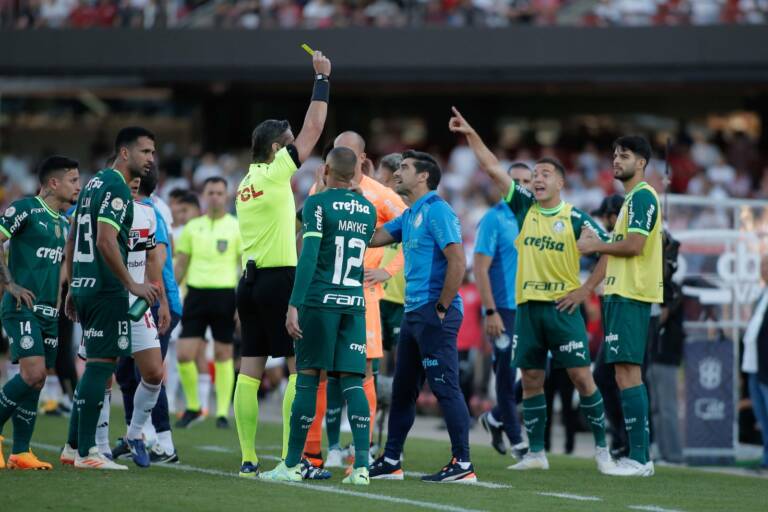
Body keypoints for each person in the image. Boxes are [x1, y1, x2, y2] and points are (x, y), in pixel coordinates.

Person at [449, 107, 614, 473]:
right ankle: (536, 453)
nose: (537, 179)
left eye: (545, 175)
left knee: (581, 378)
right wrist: (470, 132)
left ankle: (603, 451)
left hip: (562, 309)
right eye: (534, 175)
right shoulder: (523, 208)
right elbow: (493, 168)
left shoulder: (575, 218)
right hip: (527, 309)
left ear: (560, 184)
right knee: (533, 380)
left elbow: (608, 251)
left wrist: (586, 290)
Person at [233, 49, 331, 477]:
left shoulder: (246, 183)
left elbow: (279, 223)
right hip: (279, 281)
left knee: (249, 370)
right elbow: (313, 128)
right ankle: (293, 459)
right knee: (300, 367)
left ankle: (248, 458)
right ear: (277, 148)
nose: (297, 146)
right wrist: (322, 79)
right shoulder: (275, 172)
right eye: (289, 143)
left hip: (248, 283)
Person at [259, 147, 376, 485]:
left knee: (308, 378)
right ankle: (363, 468)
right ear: (355, 173)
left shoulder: (317, 204)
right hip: (353, 303)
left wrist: (294, 303)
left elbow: (309, 256)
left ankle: (293, 464)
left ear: (326, 169)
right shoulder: (367, 209)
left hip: (320, 301)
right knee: (353, 382)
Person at [368, 150, 477, 483]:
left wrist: (441, 308)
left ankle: (462, 464)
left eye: (404, 168)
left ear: (423, 177)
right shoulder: (411, 213)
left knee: (445, 388)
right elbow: (375, 237)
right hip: (413, 314)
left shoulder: (437, 211)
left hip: (432, 313)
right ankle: (391, 461)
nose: (397, 172)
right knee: (403, 391)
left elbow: (458, 262)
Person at [302, 132, 406, 470]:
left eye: (344, 151)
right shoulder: (320, 191)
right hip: (325, 291)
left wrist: (388, 271)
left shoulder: (381, 195)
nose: (336, 156)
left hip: (365, 295)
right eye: (334, 150)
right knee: (324, 372)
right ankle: (327, 447)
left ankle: (364, 448)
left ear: (362, 159)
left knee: (361, 372)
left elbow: (412, 228)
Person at [61, 127, 161, 470]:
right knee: (100, 368)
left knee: (98, 367)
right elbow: (104, 240)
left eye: (152, 152)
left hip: (88, 286)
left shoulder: (91, 184)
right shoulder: (117, 185)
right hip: (106, 291)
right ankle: (89, 451)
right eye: (145, 151)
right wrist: (132, 286)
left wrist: (74, 286)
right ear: (124, 153)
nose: (151, 159)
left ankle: (74, 445)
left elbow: (75, 236)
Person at [576, 135, 663, 477]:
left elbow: (635, 246)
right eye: (614, 155)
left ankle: (640, 457)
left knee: (628, 373)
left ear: (641, 162)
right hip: (619, 294)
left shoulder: (642, 197)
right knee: (620, 373)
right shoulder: (630, 200)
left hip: (632, 294)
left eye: (623, 155)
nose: (616, 160)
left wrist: (596, 244)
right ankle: (636, 454)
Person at [0, 156, 80, 470]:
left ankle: (21, 452)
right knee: (32, 374)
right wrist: (10, 284)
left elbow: (59, 266)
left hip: (49, 312)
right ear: (53, 183)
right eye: (73, 180)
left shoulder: (63, 221)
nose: (78, 186)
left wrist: (67, 293)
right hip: (21, 308)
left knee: (36, 382)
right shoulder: (25, 210)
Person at [92, 174, 168, 467]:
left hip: (137, 303)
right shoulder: (101, 212)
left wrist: (159, 297)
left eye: (139, 179)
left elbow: (150, 258)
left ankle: (134, 434)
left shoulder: (147, 213)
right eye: (130, 177)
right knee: (102, 373)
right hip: (106, 301)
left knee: (153, 373)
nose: (135, 183)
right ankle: (98, 445)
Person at [111, 167, 183, 464]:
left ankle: (163, 441)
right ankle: (136, 435)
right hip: (139, 294)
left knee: (147, 372)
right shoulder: (141, 207)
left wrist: (162, 300)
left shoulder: (151, 210)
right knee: (127, 374)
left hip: (152, 297)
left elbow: (161, 255)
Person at [475, 162, 532, 460]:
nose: (522, 185)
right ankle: (517, 441)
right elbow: (480, 269)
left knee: (542, 371)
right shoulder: (493, 220)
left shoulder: (534, 217)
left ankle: (496, 417)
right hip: (505, 310)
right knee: (507, 375)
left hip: (531, 308)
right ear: (503, 184)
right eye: (516, 180)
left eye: (527, 180)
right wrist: (490, 311)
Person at [174, 176, 241, 429]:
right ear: (204, 195)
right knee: (183, 354)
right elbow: (181, 264)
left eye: (219, 193)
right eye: (210, 192)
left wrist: (242, 303)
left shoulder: (236, 227)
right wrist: (171, 294)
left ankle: (222, 412)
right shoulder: (193, 227)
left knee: (224, 354)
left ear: (226, 196)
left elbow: (244, 267)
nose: (214, 197)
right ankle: (193, 407)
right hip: (196, 295)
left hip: (225, 296)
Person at [744, 255, 768, 470]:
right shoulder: (761, 294)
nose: (762, 269)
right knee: (761, 414)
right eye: (761, 265)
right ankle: (765, 456)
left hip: (765, 364)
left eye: (765, 265)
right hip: (754, 363)